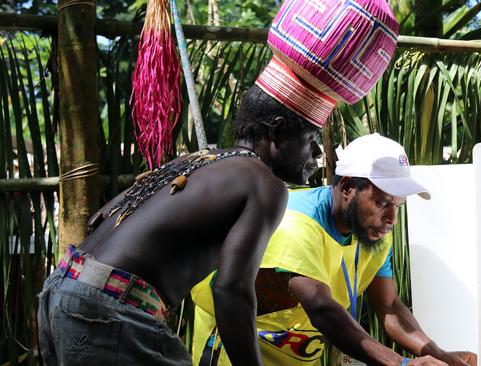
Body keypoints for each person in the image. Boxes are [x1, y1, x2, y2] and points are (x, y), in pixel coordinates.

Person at [36, 63, 329, 365]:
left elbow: (99, 217)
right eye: (310, 140)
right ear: (278, 131)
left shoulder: (197, 160)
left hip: (61, 287)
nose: (317, 152)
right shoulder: (266, 184)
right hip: (108, 308)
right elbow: (231, 291)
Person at [192, 133, 478, 366]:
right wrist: (400, 364)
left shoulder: (374, 234)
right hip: (234, 356)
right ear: (348, 187)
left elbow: (388, 306)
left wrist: (437, 354)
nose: (391, 218)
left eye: (398, 206)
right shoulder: (295, 223)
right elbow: (321, 309)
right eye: (382, 202)